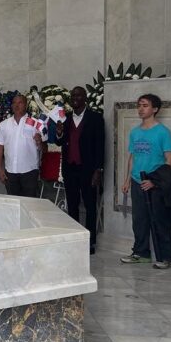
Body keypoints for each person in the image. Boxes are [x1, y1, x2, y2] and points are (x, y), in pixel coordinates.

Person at [121, 93, 171, 269]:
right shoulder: (135, 132)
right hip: (137, 181)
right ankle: (141, 253)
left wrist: (156, 181)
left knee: (159, 220)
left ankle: (165, 257)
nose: (141, 109)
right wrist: (127, 180)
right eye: (139, 105)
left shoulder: (162, 132)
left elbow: (170, 160)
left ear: (155, 109)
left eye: (145, 105)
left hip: (154, 183)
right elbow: (132, 157)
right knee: (139, 220)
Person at [55, 86, 105, 253]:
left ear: (85, 99)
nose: (75, 98)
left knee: (90, 205)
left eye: (78, 95)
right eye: (73, 95)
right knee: (73, 204)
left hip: (88, 169)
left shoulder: (96, 119)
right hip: (70, 169)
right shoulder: (66, 120)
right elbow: (59, 142)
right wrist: (60, 133)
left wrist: (98, 170)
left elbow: (100, 146)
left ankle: (90, 242)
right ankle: (76, 237)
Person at [0, 94, 46, 197]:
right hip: (10, 172)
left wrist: (39, 142)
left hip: (29, 172)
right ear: (11, 106)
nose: (17, 105)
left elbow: (44, 149)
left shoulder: (35, 124)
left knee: (30, 204)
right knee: (13, 203)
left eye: (20, 103)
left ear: (26, 105)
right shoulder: (4, 125)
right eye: (14, 103)